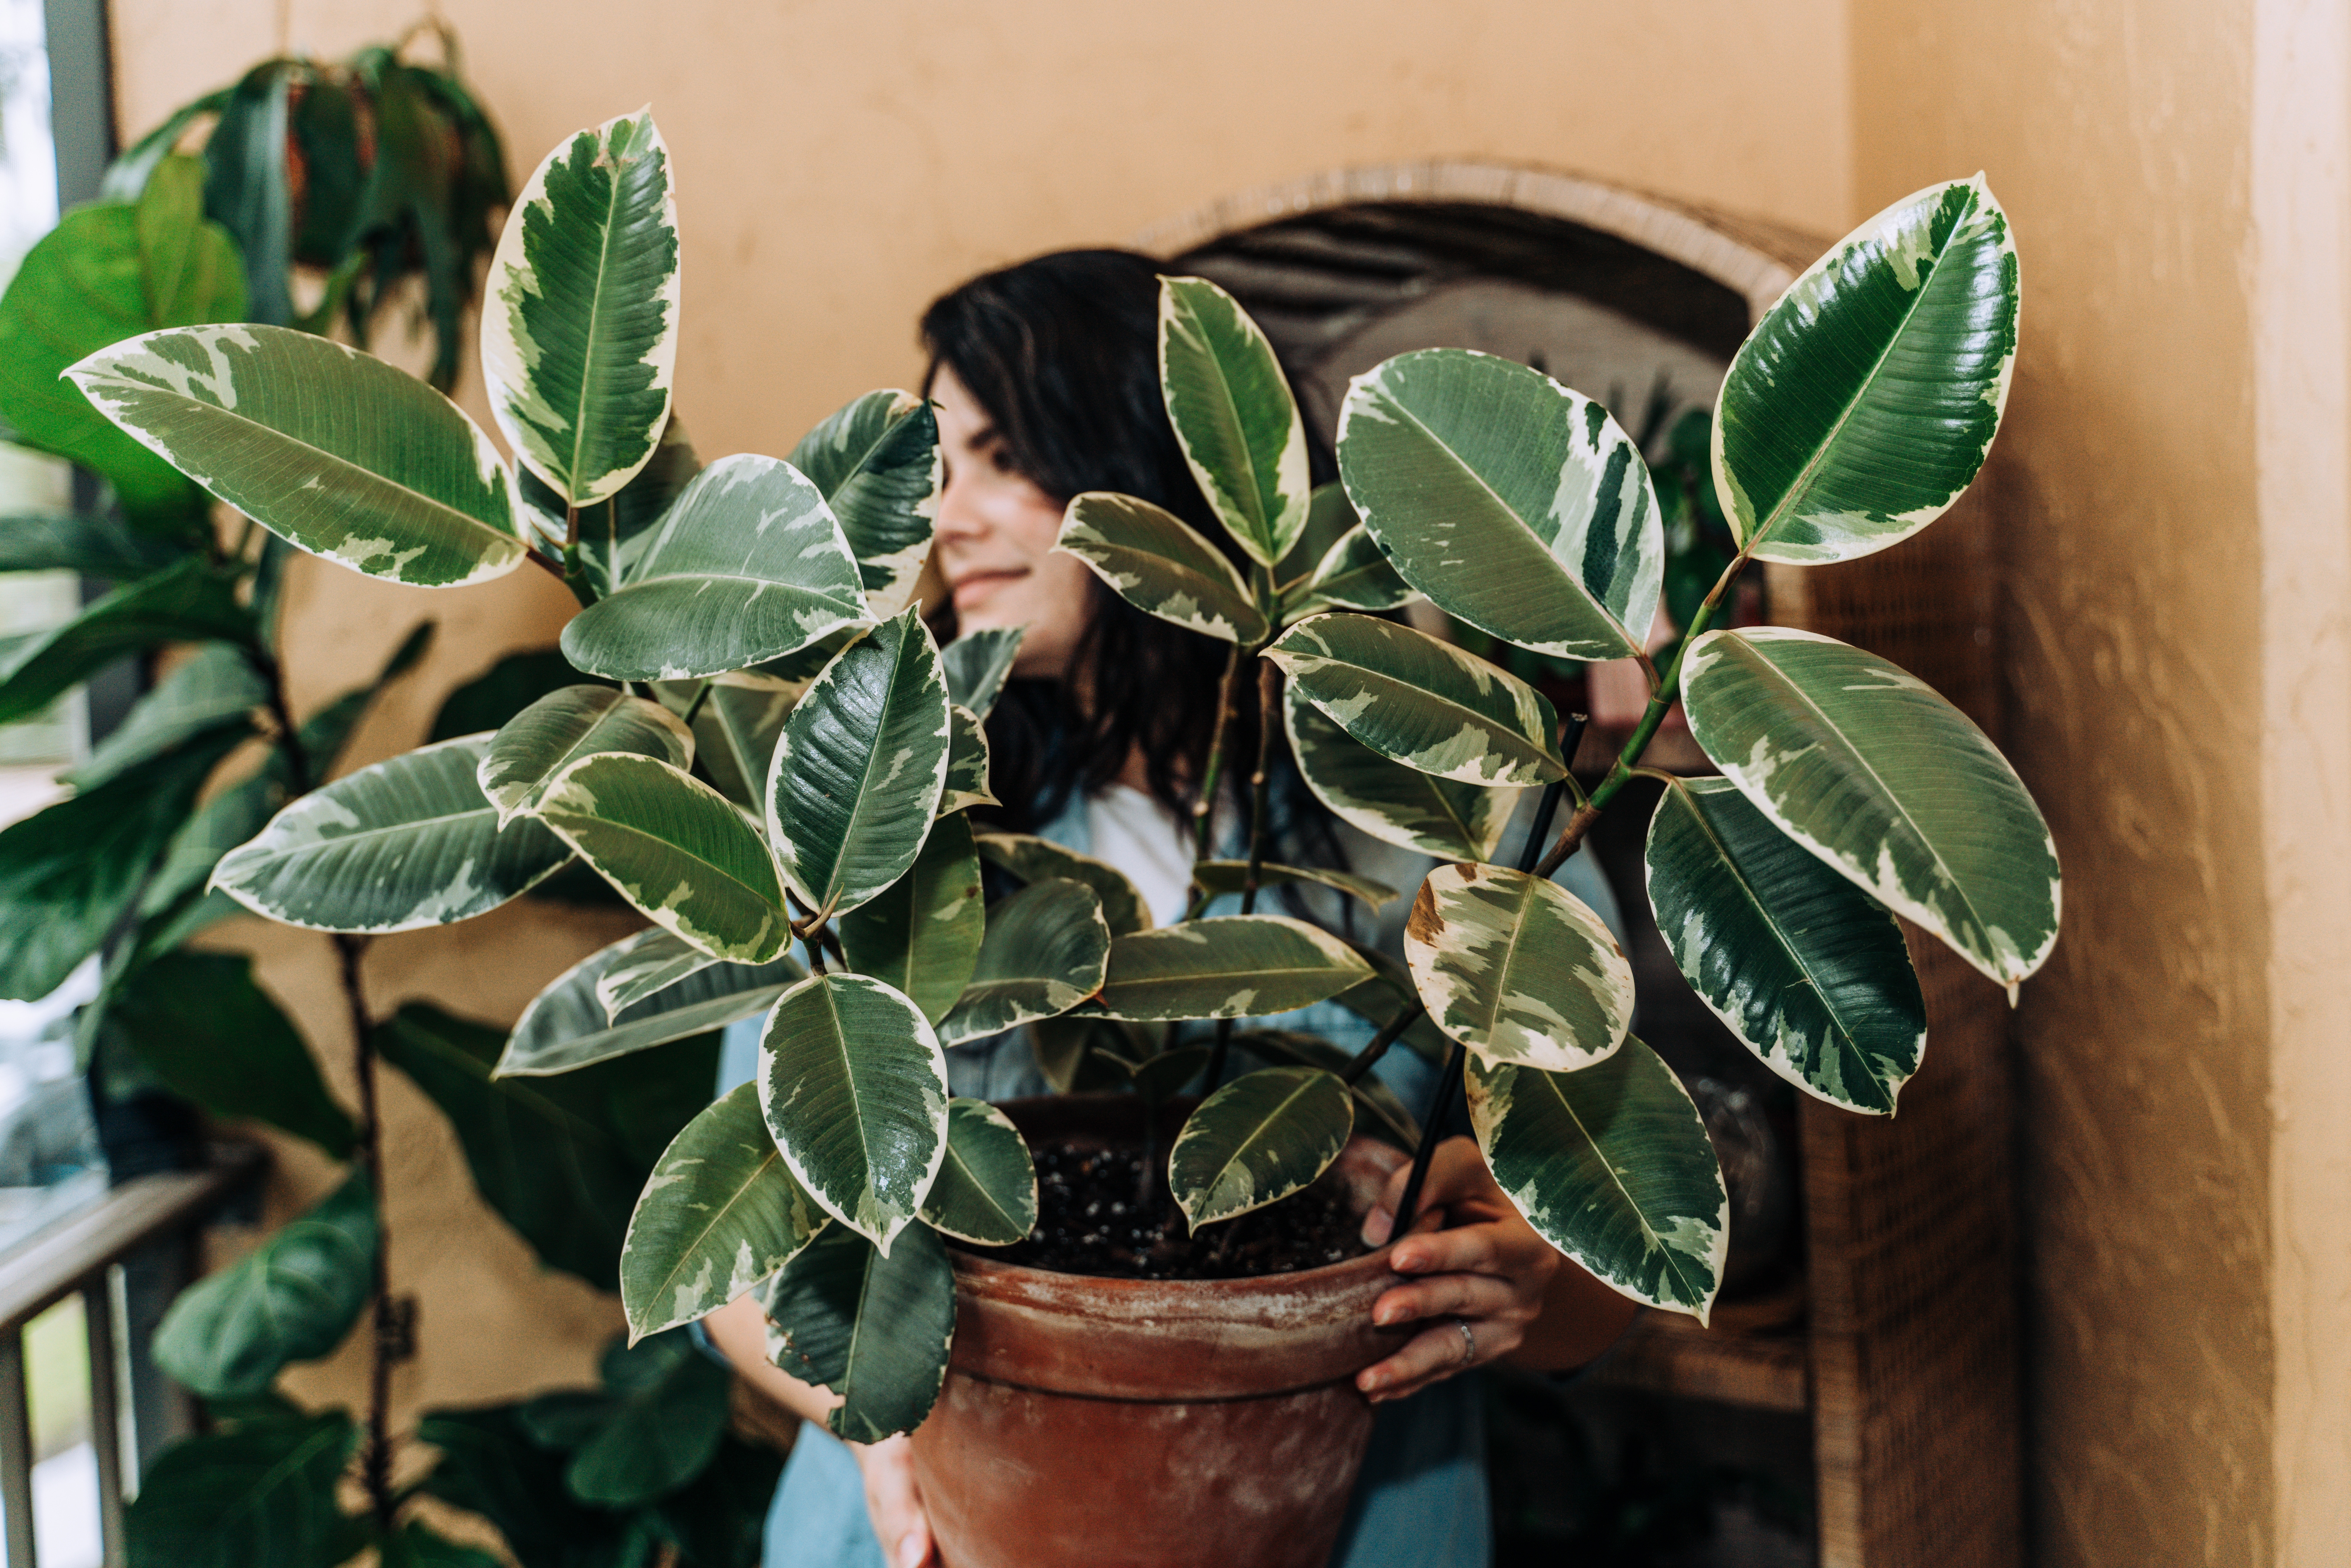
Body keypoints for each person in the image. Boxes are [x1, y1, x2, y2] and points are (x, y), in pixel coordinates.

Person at [701, 250, 1639, 1568]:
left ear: (1160, 483)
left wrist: (1522, 1277)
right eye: (936, 470)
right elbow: (733, 1260)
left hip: (1341, 1508)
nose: (946, 519)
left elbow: (1618, 1262)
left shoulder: (1441, 814)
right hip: (948, 1525)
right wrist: (879, 1419)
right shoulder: (883, 818)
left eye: (1004, 457)